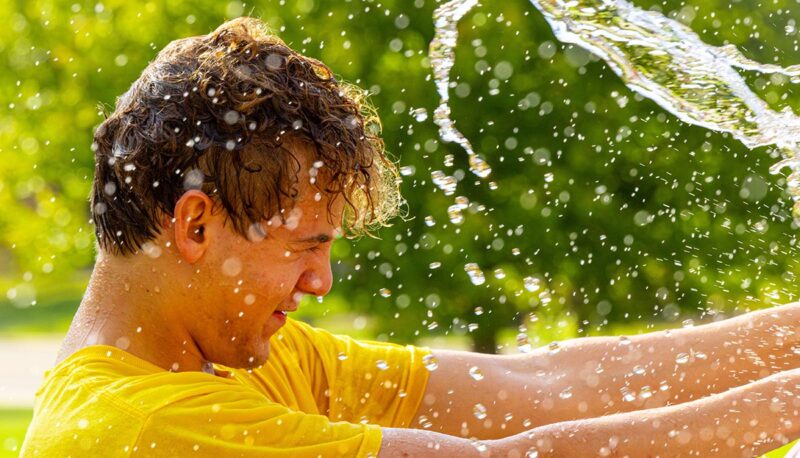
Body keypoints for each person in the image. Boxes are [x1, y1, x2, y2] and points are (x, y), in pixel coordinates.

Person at [18, 16, 800, 457]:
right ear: (195, 225)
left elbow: (537, 392)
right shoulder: (136, 433)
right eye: (306, 246)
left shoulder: (251, 358)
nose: (321, 282)